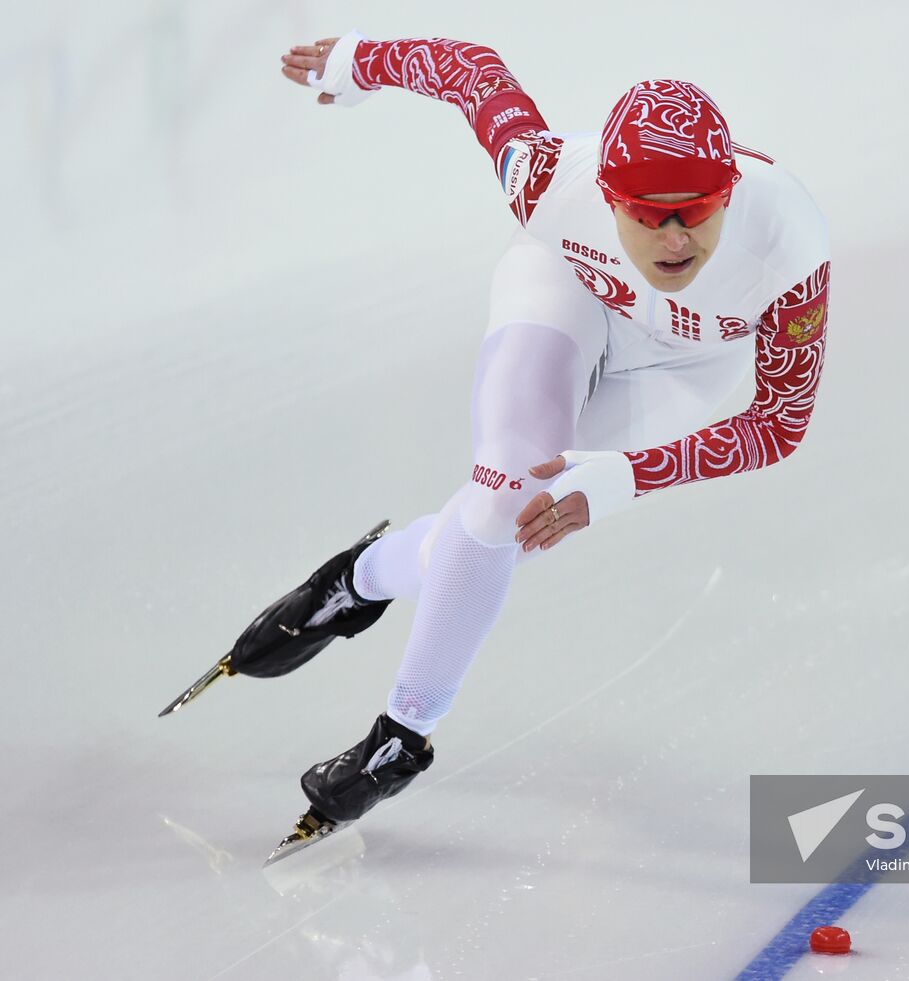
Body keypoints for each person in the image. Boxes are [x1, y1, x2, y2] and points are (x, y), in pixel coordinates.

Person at [170, 29, 831, 858]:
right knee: (504, 492)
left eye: (697, 214)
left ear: (729, 192)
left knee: (513, 526)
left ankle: (356, 580)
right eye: (646, 216)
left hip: (686, 364)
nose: (674, 241)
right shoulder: (550, 178)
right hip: (567, 292)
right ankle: (399, 740)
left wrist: (627, 475)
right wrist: (355, 63)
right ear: (606, 195)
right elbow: (470, 71)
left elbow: (783, 420)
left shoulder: (789, 245)